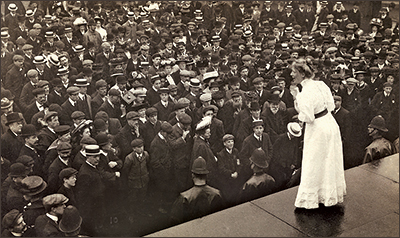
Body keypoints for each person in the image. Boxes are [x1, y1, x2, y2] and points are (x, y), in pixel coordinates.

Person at [290, 59, 346, 209]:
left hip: (318, 129)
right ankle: (328, 196)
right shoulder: (321, 84)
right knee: (329, 161)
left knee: (314, 162)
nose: (291, 74)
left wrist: (297, 104)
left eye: (294, 72)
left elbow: (308, 117)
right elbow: (331, 106)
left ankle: (312, 200)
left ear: (302, 74)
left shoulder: (303, 93)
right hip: (331, 124)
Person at [170, 156, 224, 224]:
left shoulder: (184, 198)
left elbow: (175, 222)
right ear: (206, 176)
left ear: (192, 175)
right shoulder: (217, 194)